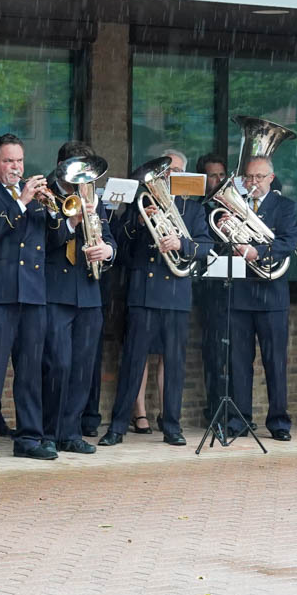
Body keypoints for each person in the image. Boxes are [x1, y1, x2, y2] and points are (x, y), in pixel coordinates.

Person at [101, 152, 207, 447]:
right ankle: (117, 426)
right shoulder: (140, 203)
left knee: (173, 364)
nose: (170, 175)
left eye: (176, 170)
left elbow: (206, 246)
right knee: (132, 362)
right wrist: (138, 222)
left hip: (176, 294)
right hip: (143, 293)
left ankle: (172, 425)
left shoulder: (193, 209)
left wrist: (181, 243)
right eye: (166, 170)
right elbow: (119, 241)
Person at [0, 134, 58, 461]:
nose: (16, 167)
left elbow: (57, 239)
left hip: (33, 292)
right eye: (8, 161)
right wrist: (21, 201)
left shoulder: (38, 196)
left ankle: (29, 438)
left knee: (30, 371)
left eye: (19, 160)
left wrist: (64, 217)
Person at [224, 150, 297, 442]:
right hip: (240, 294)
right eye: (249, 177)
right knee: (238, 362)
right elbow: (221, 243)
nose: (253, 182)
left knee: (275, 362)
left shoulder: (285, 206)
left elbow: (289, 241)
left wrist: (258, 252)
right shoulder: (235, 205)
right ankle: (239, 419)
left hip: (272, 296)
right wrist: (225, 230)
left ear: (271, 178)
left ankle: (279, 422)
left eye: (259, 176)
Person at [43, 154, 116, 454]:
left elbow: (109, 237)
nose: (84, 180)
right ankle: (48, 432)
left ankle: (70, 432)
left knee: (83, 368)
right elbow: (45, 242)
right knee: (57, 364)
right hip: (55, 292)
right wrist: (72, 222)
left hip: (88, 293)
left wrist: (107, 251)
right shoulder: (45, 195)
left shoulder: (92, 197)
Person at [197, 154, 233, 426]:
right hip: (210, 290)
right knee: (214, 353)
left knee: (237, 354)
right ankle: (215, 409)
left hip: (235, 289)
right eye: (213, 175)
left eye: (222, 175)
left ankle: (237, 411)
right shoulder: (198, 208)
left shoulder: (234, 205)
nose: (218, 180)